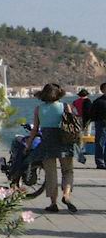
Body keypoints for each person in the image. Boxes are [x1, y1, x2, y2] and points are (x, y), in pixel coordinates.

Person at [26, 83, 77, 213]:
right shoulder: (65, 106)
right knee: (67, 171)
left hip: (47, 143)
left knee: (50, 174)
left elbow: (35, 130)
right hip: (64, 141)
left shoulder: (38, 109)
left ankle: (53, 203)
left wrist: (28, 144)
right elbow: (71, 125)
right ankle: (66, 195)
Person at [72, 89, 92, 164]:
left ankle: (79, 148)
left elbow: (73, 110)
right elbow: (90, 112)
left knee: (79, 134)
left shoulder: (75, 102)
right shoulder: (88, 101)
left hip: (77, 118)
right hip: (86, 120)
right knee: (87, 134)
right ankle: (85, 149)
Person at [91, 83, 106, 170]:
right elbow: (92, 114)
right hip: (101, 125)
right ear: (102, 90)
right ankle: (100, 162)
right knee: (100, 143)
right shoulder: (98, 101)